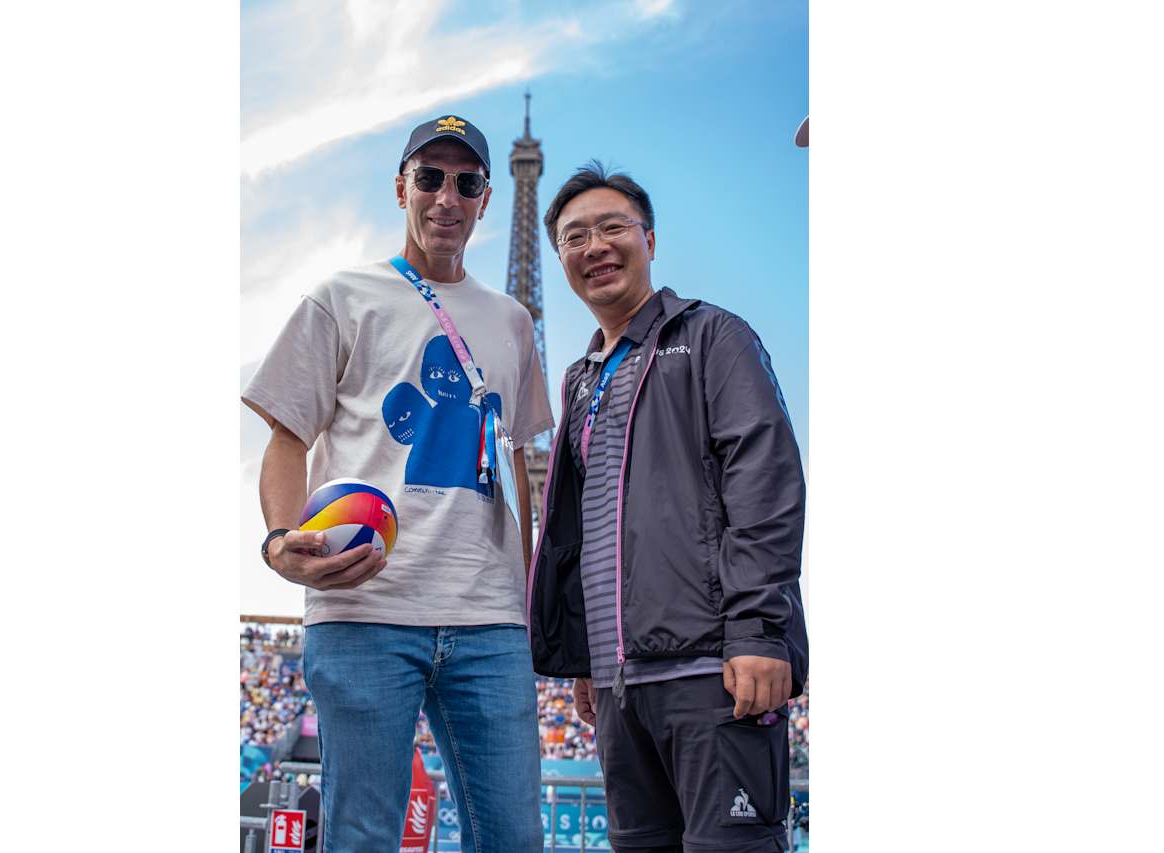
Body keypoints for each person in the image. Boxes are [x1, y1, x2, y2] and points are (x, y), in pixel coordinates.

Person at [243, 114, 551, 851]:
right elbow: (288, 438)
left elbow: (518, 464)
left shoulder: (512, 322)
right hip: (364, 607)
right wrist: (281, 540)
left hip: (490, 619)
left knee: (514, 836)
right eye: (431, 177)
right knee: (362, 836)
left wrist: (532, 588)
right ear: (401, 188)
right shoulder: (342, 298)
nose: (448, 195)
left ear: (486, 197)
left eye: (467, 182)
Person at [529, 162, 808, 853]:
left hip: (712, 672)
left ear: (649, 239)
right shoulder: (580, 378)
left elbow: (764, 478)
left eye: (612, 226)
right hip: (623, 693)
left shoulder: (712, 336)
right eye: (573, 237)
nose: (594, 245)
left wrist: (758, 630)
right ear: (560, 259)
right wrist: (587, 656)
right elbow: (582, 530)